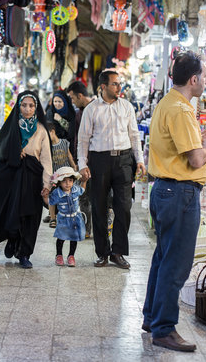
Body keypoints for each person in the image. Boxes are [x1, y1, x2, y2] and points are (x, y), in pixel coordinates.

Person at [142, 51, 206, 351]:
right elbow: (196, 159)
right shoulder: (180, 110)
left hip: (166, 191)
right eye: (204, 76)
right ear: (194, 79)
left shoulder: (168, 103)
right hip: (178, 193)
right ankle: (164, 329)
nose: (205, 80)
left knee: (163, 258)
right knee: (177, 263)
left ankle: (152, 318)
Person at [77, 70, 147, 269]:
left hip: (124, 159)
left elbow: (134, 136)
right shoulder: (91, 109)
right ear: (103, 87)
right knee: (98, 207)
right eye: (115, 84)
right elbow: (83, 140)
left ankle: (118, 251)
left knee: (124, 207)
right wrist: (83, 165)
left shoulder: (127, 107)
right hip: (99, 160)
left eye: (119, 84)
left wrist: (139, 160)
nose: (119, 87)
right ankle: (102, 253)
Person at [0, 91, 53, 269]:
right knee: (10, 212)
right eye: (24, 105)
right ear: (18, 107)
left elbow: (46, 159)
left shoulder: (41, 130)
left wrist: (47, 184)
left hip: (33, 177)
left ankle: (25, 253)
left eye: (31, 106)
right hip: (12, 177)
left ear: (36, 108)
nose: (27, 109)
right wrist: (13, 152)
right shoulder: (10, 127)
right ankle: (12, 240)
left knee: (30, 216)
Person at [66, 81, 94, 238]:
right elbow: (78, 139)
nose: (72, 102)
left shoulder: (96, 109)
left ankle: (94, 228)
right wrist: (78, 161)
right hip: (83, 161)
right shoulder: (78, 114)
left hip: (96, 160)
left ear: (80, 95)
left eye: (72, 98)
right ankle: (85, 229)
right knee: (83, 195)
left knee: (94, 196)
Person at [46, 166, 87, 267]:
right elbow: (50, 202)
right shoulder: (57, 193)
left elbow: (82, 189)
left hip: (75, 218)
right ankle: (59, 255)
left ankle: (71, 256)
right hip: (63, 219)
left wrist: (84, 181)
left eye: (70, 180)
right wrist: (45, 196)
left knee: (74, 238)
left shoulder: (75, 189)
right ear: (59, 182)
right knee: (61, 238)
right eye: (64, 181)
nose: (68, 183)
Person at [46, 122, 77, 228]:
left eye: (47, 134)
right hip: (55, 176)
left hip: (66, 174)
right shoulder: (47, 146)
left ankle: (65, 215)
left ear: (52, 132)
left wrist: (74, 166)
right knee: (53, 196)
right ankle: (52, 217)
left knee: (68, 195)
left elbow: (69, 155)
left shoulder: (64, 142)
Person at [46, 89, 76, 159]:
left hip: (70, 148)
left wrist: (60, 120)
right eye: (55, 101)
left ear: (65, 102)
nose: (57, 104)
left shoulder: (71, 113)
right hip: (54, 149)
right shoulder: (50, 113)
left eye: (60, 101)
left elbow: (72, 132)